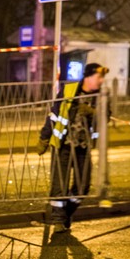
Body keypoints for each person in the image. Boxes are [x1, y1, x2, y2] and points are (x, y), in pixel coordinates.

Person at [37, 62, 109, 233]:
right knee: (59, 184)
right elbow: (54, 114)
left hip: (83, 147)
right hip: (63, 145)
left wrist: (94, 113)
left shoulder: (101, 96)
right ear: (88, 77)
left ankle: (66, 213)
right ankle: (58, 221)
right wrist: (44, 137)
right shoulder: (69, 90)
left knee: (83, 186)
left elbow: (107, 116)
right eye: (98, 77)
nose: (100, 81)